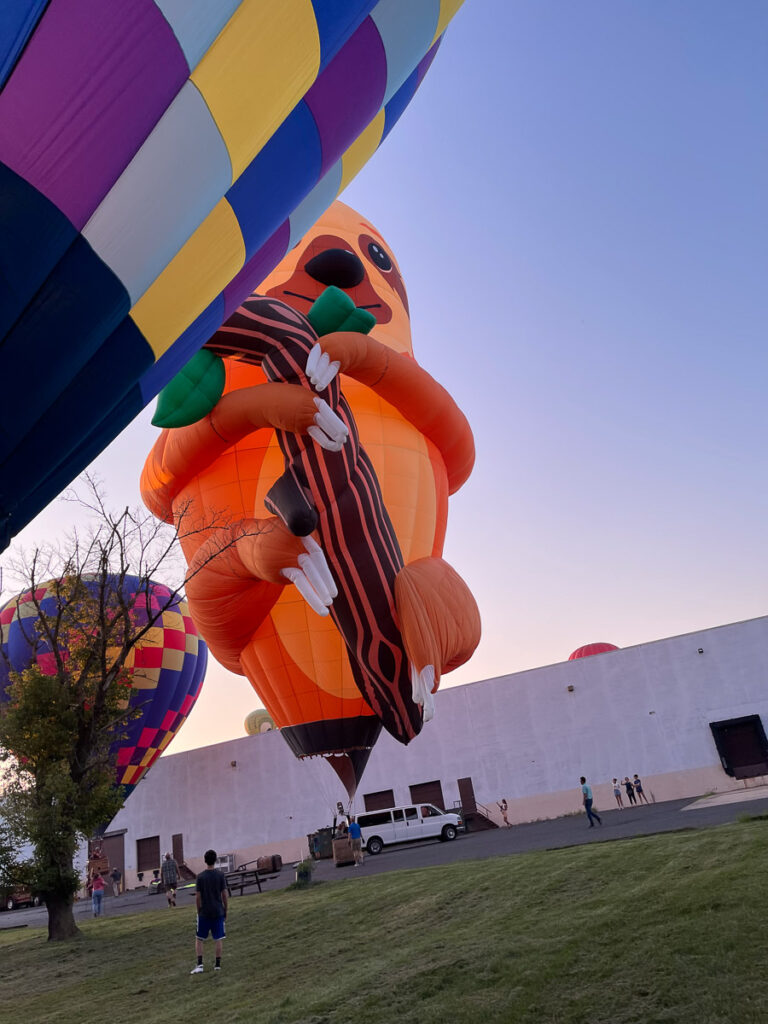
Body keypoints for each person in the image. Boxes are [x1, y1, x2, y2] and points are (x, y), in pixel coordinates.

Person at [191, 849, 228, 974]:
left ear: (205, 860)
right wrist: (225, 909)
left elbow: (197, 896)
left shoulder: (200, 877)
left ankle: (200, 964)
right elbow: (224, 894)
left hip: (204, 912)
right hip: (218, 910)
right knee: (218, 938)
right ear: (215, 860)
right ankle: (217, 965)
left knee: (199, 938)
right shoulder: (220, 875)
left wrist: (198, 909)